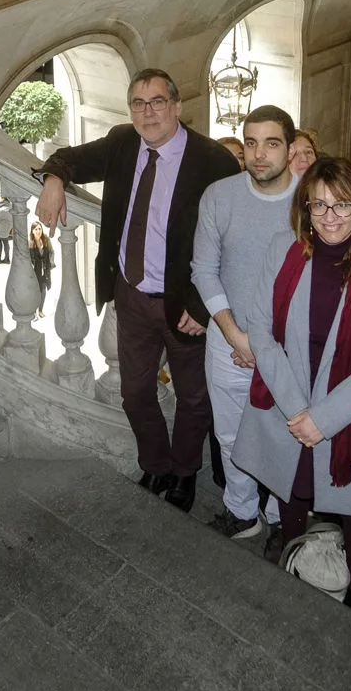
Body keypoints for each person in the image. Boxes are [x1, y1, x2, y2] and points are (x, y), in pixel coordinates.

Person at [36, 69, 240, 510]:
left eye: (158, 102)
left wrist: (205, 306)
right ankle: (156, 464)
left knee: (193, 398)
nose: (148, 113)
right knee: (134, 393)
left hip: (185, 304)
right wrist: (53, 180)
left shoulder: (213, 162)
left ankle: (185, 473)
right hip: (131, 297)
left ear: (177, 106)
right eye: (138, 104)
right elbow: (67, 157)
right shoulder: (123, 142)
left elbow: (232, 243)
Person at [232, 156, 351, 616]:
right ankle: (293, 561)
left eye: (342, 206)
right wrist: (298, 411)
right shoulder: (283, 250)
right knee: (291, 487)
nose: (329, 218)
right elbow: (260, 330)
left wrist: (324, 418)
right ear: (305, 209)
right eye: (318, 206)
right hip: (288, 391)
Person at [191, 105, 299, 539]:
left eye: (271, 143)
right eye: (250, 142)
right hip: (226, 335)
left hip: (288, 344)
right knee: (231, 433)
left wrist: (269, 346)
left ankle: (278, 518)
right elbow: (204, 268)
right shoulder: (219, 195)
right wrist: (235, 335)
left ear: (291, 150)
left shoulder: (312, 201)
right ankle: (241, 512)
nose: (259, 154)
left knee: (283, 436)